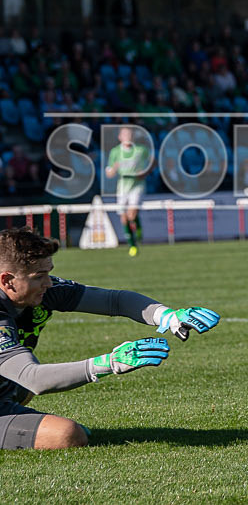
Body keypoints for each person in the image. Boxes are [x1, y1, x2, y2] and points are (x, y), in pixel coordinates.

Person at [0, 227, 220, 450]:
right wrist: (108, 363)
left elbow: (114, 301)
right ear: (7, 280)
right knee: (68, 435)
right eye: (39, 277)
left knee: (18, 389)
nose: (48, 283)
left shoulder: (47, 290)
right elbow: (32, 378)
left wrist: (167, 315)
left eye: (48, 273)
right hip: (21, 381)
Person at [105, 127, 151, 257]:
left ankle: (138, 231)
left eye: (129, 134)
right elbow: (109, 173)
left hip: (137, 185)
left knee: (131, 214)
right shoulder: (115, 152)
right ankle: (132, 245)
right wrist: (114, 168)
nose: (127, 136)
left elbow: (152, 163)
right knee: (123, 217)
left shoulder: (141, 150)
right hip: (123, 185)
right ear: (120, 137)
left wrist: (144, 173)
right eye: (124, 134)